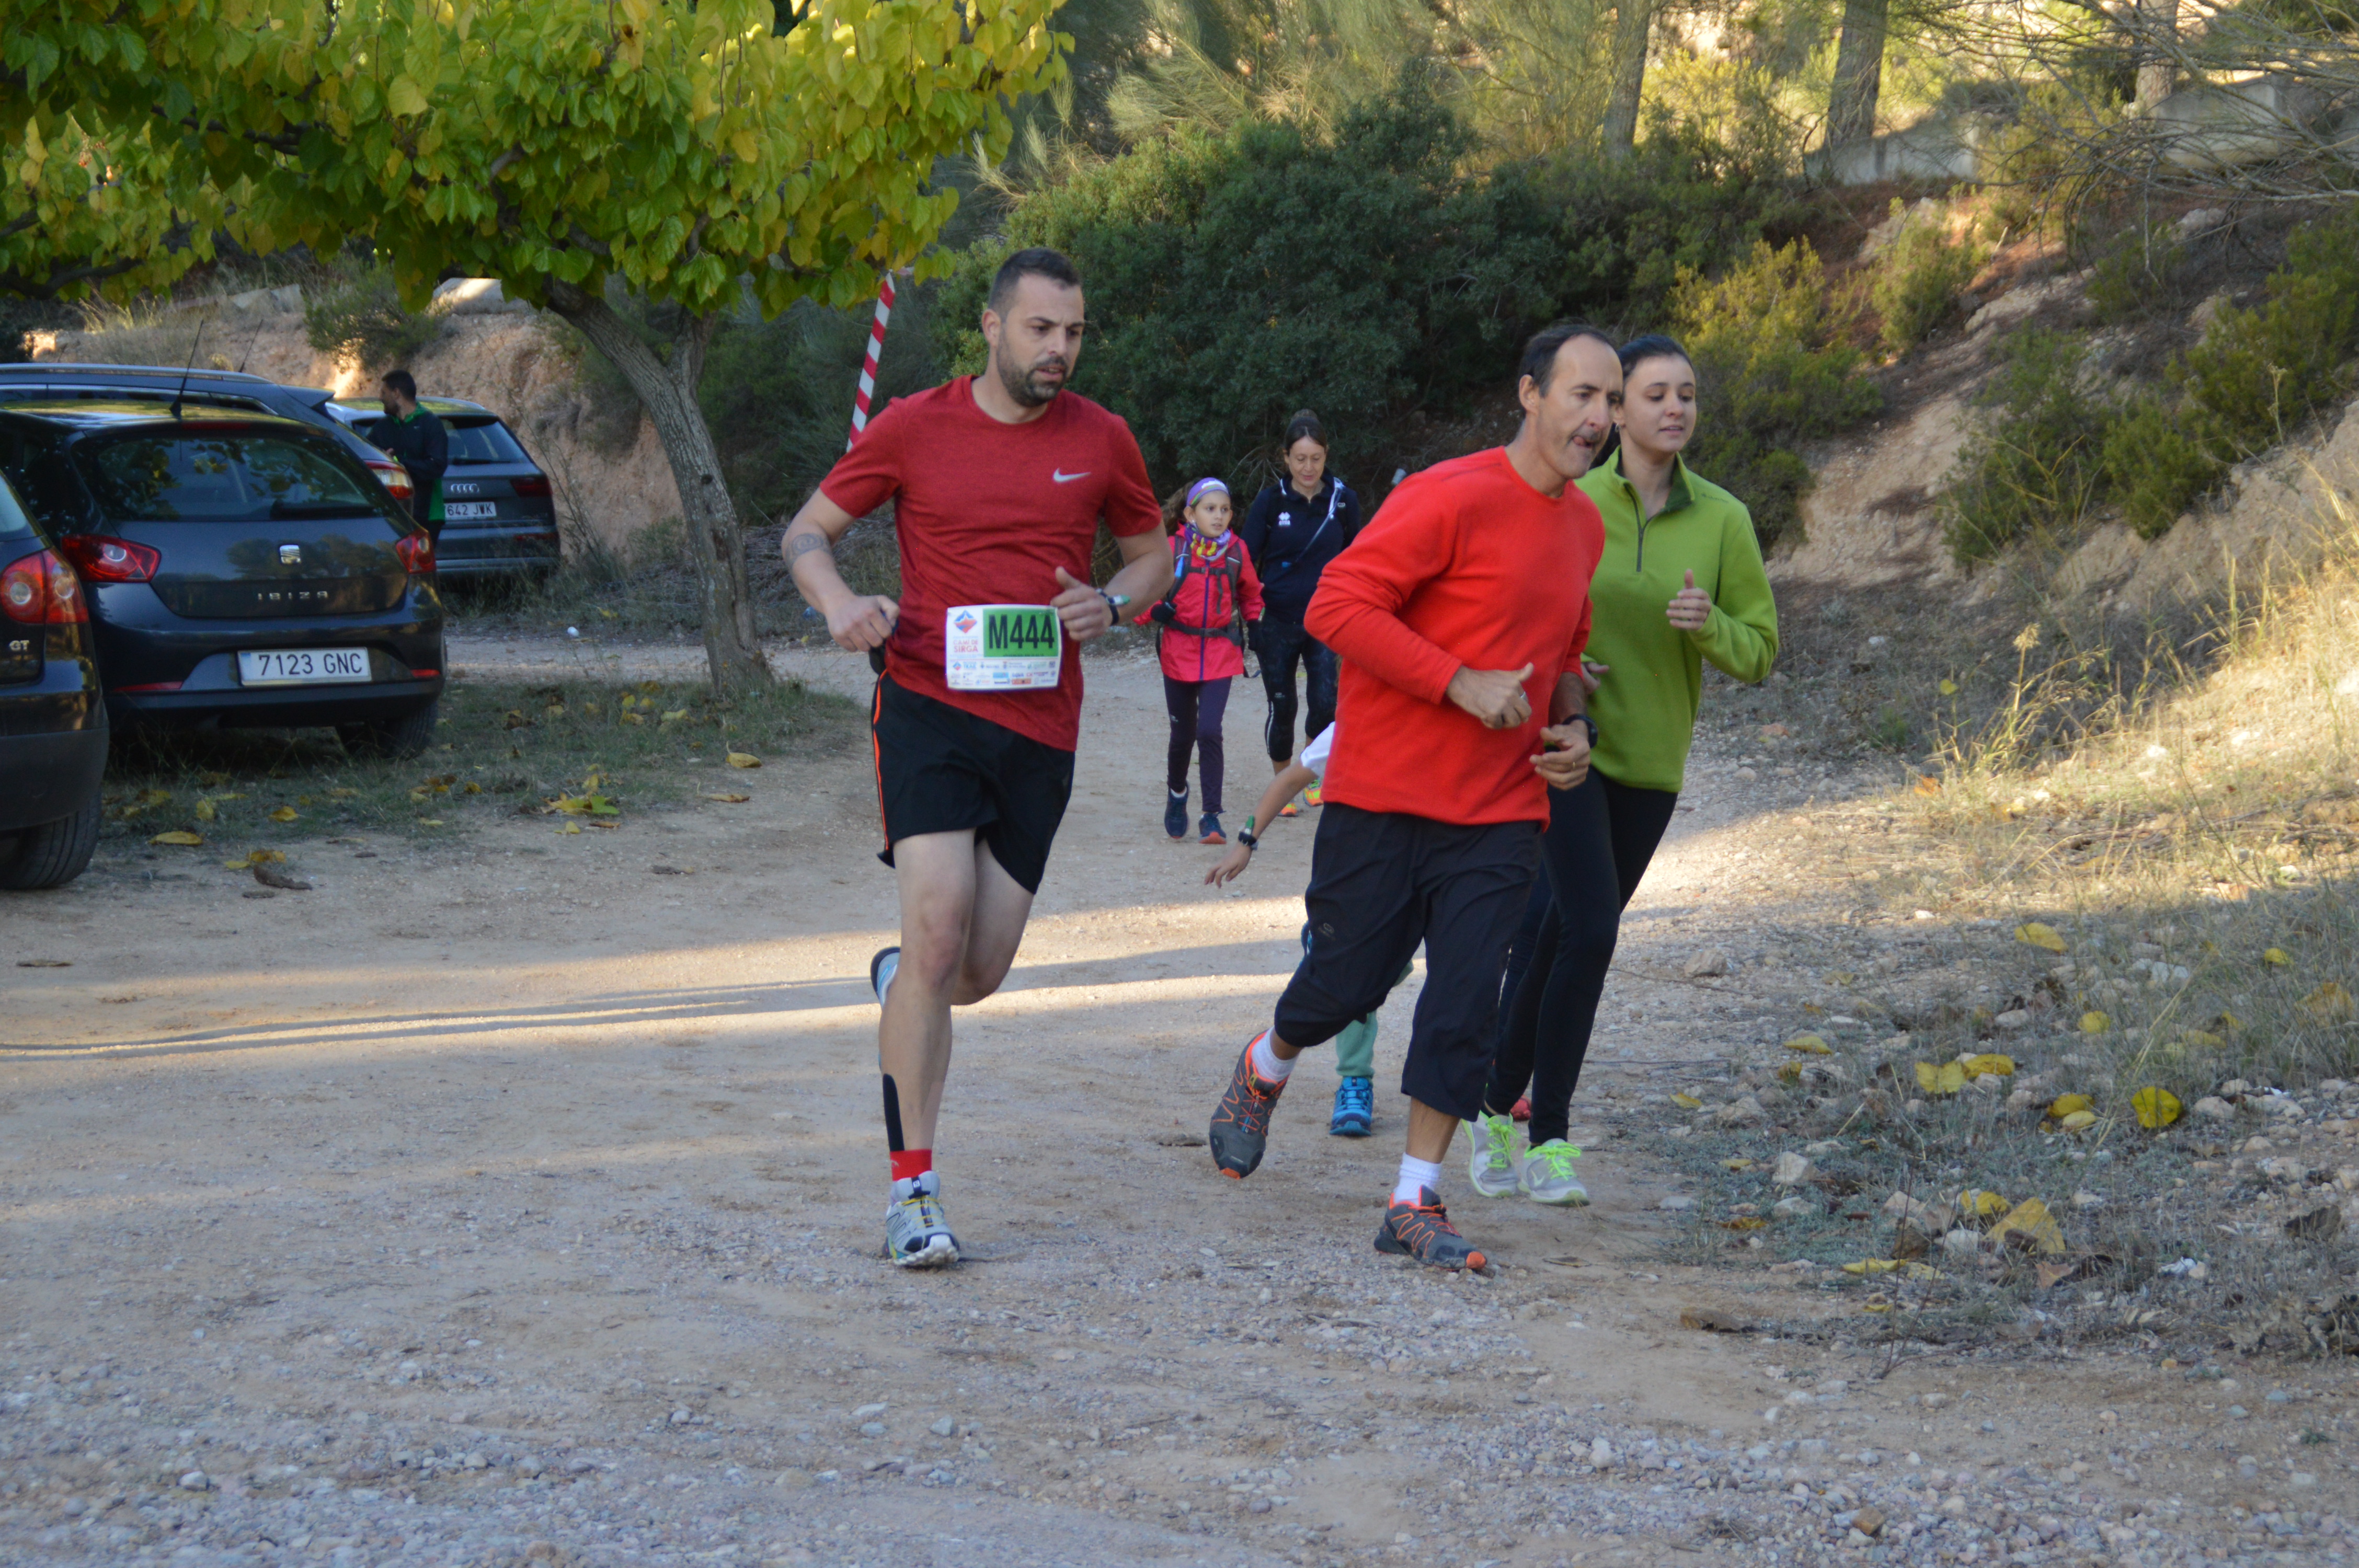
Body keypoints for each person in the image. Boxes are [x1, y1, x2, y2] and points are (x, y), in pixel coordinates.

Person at [781, 247, 1173, 1267]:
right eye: (1041, 329)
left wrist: (1113, 603)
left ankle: (906, 983)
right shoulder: (915, 425)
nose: (1060, 349)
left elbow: (1153, 554)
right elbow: (806, 534)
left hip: (1041, 726)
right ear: (993, 328)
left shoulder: (1102, 438)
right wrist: (839, 603)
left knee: (976, 970)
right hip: (928, 706)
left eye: (1074, 332)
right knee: (938, 928)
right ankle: (912, 1193)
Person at [1204, 323, 1619, 1272]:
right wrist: (1457, 682)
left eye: (1610, 400)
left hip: (1501, 810)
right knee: (1347, 983)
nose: (1598, 417)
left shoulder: (1584, 526)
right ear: (1530, 394)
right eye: (1581, 395)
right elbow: (1335, 606)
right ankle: (1266, 1065)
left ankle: (1412, 1199)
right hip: (1385, 795)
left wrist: (1572, 728)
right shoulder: (1447, 493)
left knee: (1465, 1003)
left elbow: (1562, 653)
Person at [1467, 332, 1779, 1208]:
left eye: (1687, 394)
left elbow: (1760, 652)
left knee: (1553, 933)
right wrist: (1565, 668)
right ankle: (1548, 1136)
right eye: (1654, 394)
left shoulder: (1723, 519)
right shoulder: (1571, 501)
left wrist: (1709, 624)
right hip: (1570, 749)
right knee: (1591, 931)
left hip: (1652, 764)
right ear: (1616, 410)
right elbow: (1514, 611)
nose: (1674, 408)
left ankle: (1490, 1104)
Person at [1204, 722, 1403, 1138]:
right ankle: (1354, 1079)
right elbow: (1291, 779)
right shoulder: (1359, 722)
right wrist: (1246, 841)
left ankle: (1490, 1083)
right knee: (1358, 973)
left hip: (1437, 862)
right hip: (1364, 868)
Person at [1236, 410, 1360, 816]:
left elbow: (1360, 557)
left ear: (1327, 455)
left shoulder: (1343, 500)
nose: (1309, 468)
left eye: (1316, 458)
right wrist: (1250, 617)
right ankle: (1282, 785)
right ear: (1286, 457)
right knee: (1283, 706)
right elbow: (1245, 561)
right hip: (1277, 622)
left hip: (1328, 621)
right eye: (1300, 458)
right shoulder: (1270, 502)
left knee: (1325, 703)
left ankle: (1309, 775)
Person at [1151, 477, 1264, 845]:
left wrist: (1255, 624)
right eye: (1210, 509)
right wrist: (1155, 611)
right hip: (1178, 652)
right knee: (1183, 736)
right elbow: (1145, 594)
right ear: (1190, 514)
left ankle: (1211, 817)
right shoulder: (1173, 549)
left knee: (1210, 731)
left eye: (1225, 510)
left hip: (1220, 652)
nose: (1219, 516)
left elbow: (1251, 594)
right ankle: (1177, 794)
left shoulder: (1236, 551)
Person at [371, 370, 449, 536]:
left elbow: (437, 466)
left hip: (428, 516)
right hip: (391, 515)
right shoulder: (381, 428)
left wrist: (398, 463)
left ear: (396, 393)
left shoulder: (430, 424)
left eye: (383, 393)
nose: (380, 398)